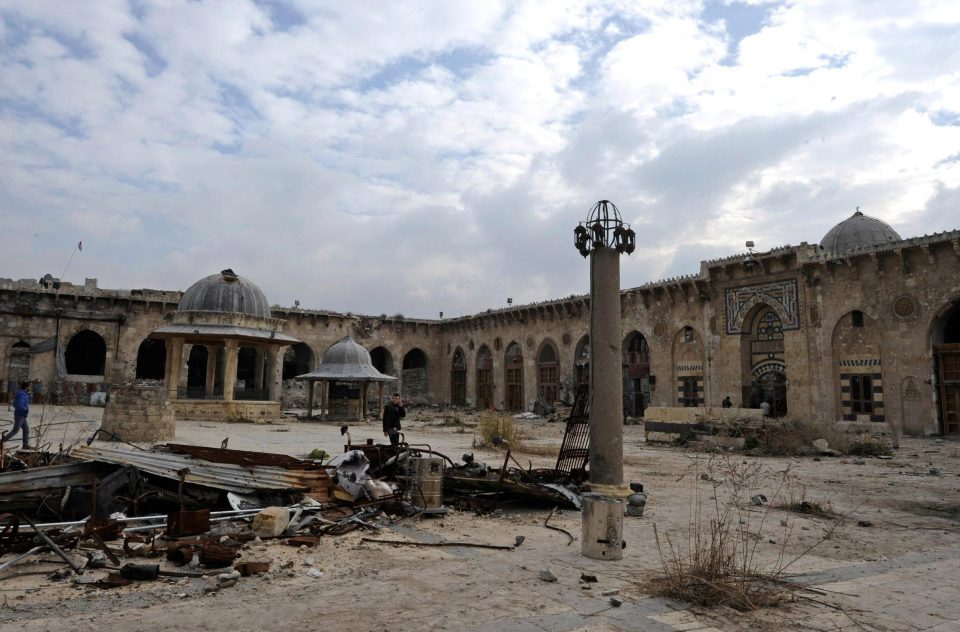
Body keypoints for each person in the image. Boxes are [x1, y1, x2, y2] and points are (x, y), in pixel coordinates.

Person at [4, 382, 30, 449]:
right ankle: (2, 441)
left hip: (22, 415)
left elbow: (15, 404)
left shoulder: (21, 393)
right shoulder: (22, 395)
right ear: (26, 387)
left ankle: (25, 446)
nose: (29, 388)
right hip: (20, 415)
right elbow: (19, 405)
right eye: (28, 387)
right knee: (15, 430)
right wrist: (25, 410)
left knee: (26, 430)